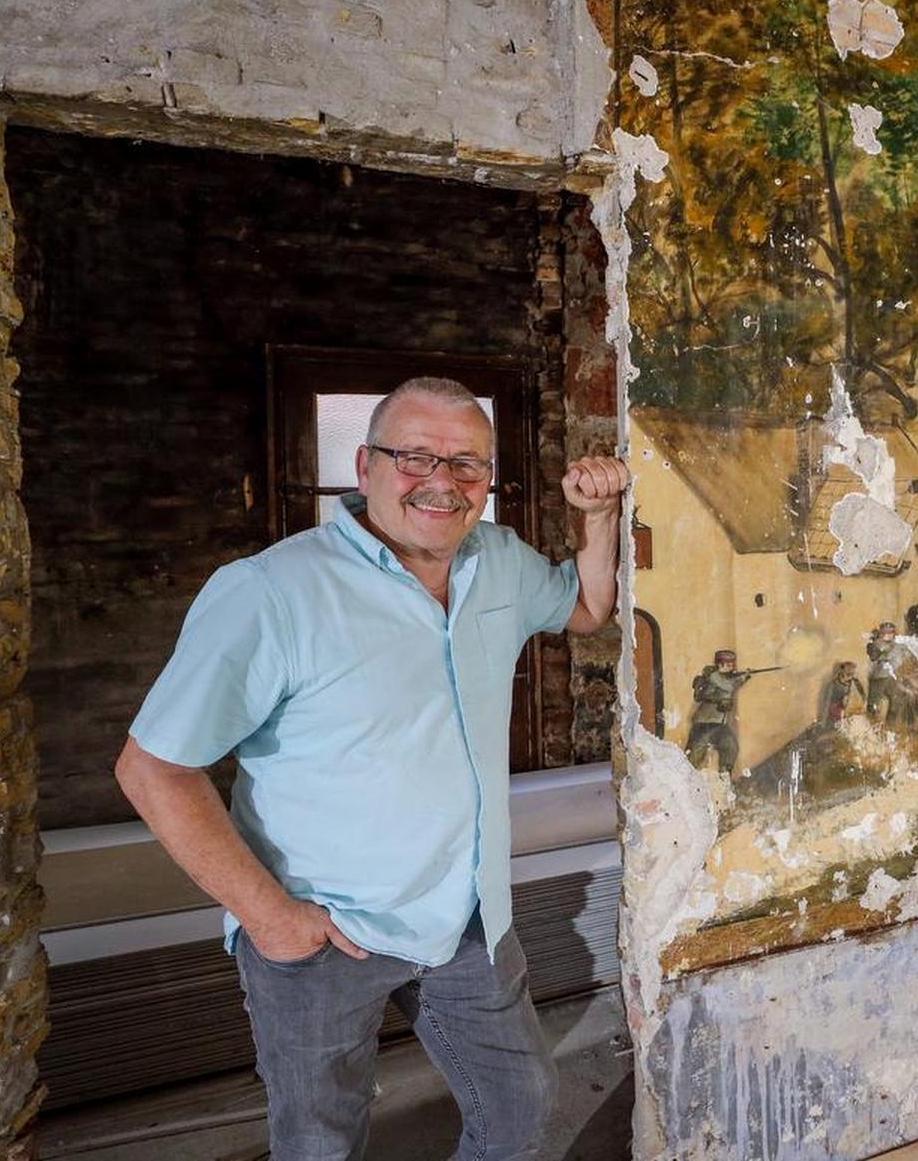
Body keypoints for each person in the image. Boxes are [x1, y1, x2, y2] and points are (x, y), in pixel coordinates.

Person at [113, 377, 628, 1161]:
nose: (442, 482)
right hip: (325, 934)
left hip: (465, 919)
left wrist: (599, 518)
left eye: (467, 464)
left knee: (521, 1108)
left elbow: (586, 610)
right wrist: (272, 918)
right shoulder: (272, 590)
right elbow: (153, 769)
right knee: (321, 1143)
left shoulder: (498, 561)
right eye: (414, 455)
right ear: (365, 465)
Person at [687, 649, 750, 772]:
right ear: (720, 664)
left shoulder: (724, 677)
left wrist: (742, 678)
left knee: (731, 747)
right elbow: (728, 686)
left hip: (719, 724)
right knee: (693, 759)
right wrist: (742, 678)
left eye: (732, 664)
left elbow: (730, 684)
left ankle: (724, 780)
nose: (731, 667)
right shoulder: (713, 675)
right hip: (704, 724)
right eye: (728, 665)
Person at [819, 660, 867, 725]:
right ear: (842, 672)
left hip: (854, 712)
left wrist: (861, 705)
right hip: (837, 714)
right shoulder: (833, 685)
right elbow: (828, 704)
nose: (850, 675)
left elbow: (863, 697)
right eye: (848, 673)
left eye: (852, 673)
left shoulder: (856, 682)